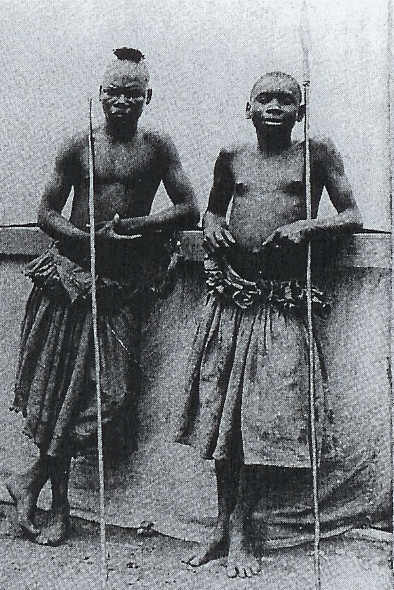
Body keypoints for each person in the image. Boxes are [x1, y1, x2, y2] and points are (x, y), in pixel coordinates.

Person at [174, 71, 362, 578]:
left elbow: (351, 215)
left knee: (260, 422)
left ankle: (242, 530)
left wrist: (307, 225)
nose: (275, 107)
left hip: (281, 307)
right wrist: (212, 226)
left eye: (286, 100)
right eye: (265, 99)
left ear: (300, 111)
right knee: (223, 420)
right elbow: (211, 213)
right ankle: (219, 526)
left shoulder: (315, 154)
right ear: (248, 107)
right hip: (231, 303)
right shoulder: (231, 157)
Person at [9, 47, 199, 546]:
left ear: (147, 97)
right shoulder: (78, 146)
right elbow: (46, 211)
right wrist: (86, 239)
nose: (121, 102)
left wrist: (141, 224)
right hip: (70, 281)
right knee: (58, 397)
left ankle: (30, 479)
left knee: (108, 397)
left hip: (120, 292)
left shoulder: (157, 147)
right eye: (112, 93)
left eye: (132, 94)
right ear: (100, 96)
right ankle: (60, 508)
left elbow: (189, 209)